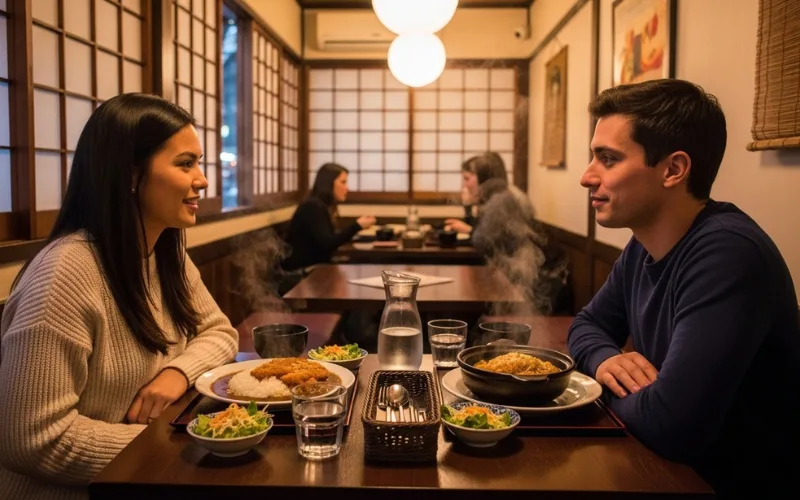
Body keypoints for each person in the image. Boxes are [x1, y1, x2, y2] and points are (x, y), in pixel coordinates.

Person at [567, 79, 800, 497]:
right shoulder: (644, 245)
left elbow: (672, 425)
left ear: (673, 169)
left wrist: (596, 387)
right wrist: (604, 362)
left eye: (608, 158)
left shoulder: (728, 254)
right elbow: (587, 324)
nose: (587, 176)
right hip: (672, 473)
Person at [0, 94, 239, 500]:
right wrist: (173, 450)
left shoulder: (166, 253)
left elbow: (219, 332)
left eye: (199, 163)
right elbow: (31, 439)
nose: (202, 179)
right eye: (185, 164)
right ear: (130, 175)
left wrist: (177, 373)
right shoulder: (65, 275)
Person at [453, 152, 571, 317]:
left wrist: (468, 206)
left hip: (539, 283)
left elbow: (481, 241)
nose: (465, 185)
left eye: (468, 178)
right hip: (529, 277)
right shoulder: (505, 195)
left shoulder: (500, 201)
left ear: (483, 177)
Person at [281, 162, 376, 272]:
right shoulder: (312, 207)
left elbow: (329, 239)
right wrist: (357, 226)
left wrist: (363, 233)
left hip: (317, 267)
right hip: (303, 271)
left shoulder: (322, 205)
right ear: (328, 183)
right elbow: (328, 244)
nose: (347, 188)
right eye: (343, 182)